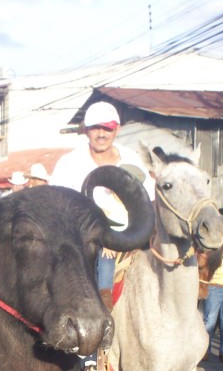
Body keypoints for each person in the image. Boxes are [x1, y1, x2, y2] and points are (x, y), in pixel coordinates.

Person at [50, 101, 156, 297]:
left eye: (107, 128)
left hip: (132, 242)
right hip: (82, 244)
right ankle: (101, 301)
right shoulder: (68, 163)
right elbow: (55, 208)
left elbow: (149, 202)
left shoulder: (132, 160)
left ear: (117, 129)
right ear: (86, 130)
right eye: (95, 128)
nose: (101, 134)